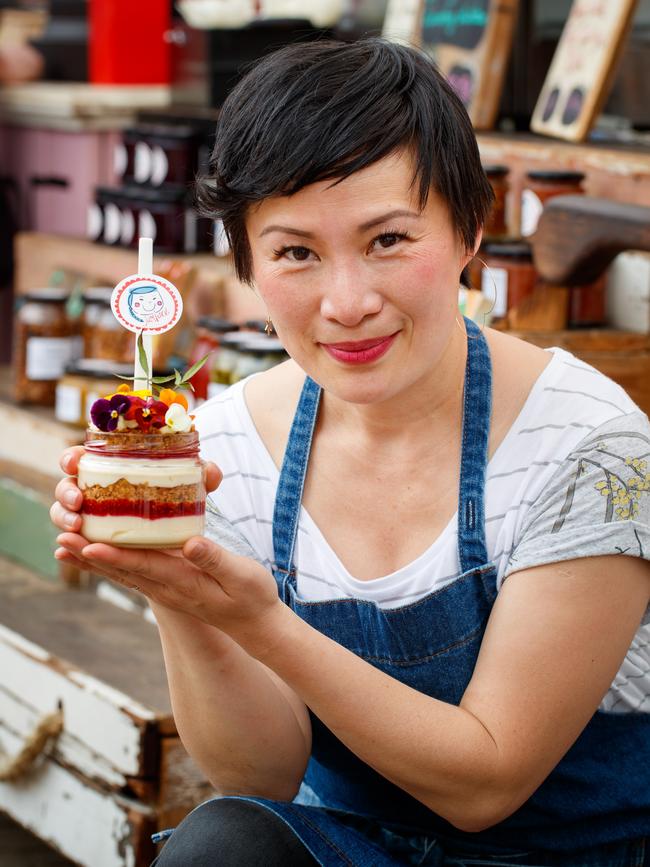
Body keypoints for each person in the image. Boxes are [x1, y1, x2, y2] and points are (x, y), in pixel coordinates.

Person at [50, 39, 650, 867]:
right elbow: (258, 771)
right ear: (249, 268)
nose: (348, 302)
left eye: (389, 240)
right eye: (296, 252)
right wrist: (182, 595)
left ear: (471, 230)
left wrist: (262, 621)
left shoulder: (591, 446)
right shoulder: (224, 447)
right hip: (360, 847)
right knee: (222, 843)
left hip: (586, 851)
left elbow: (488, 782)